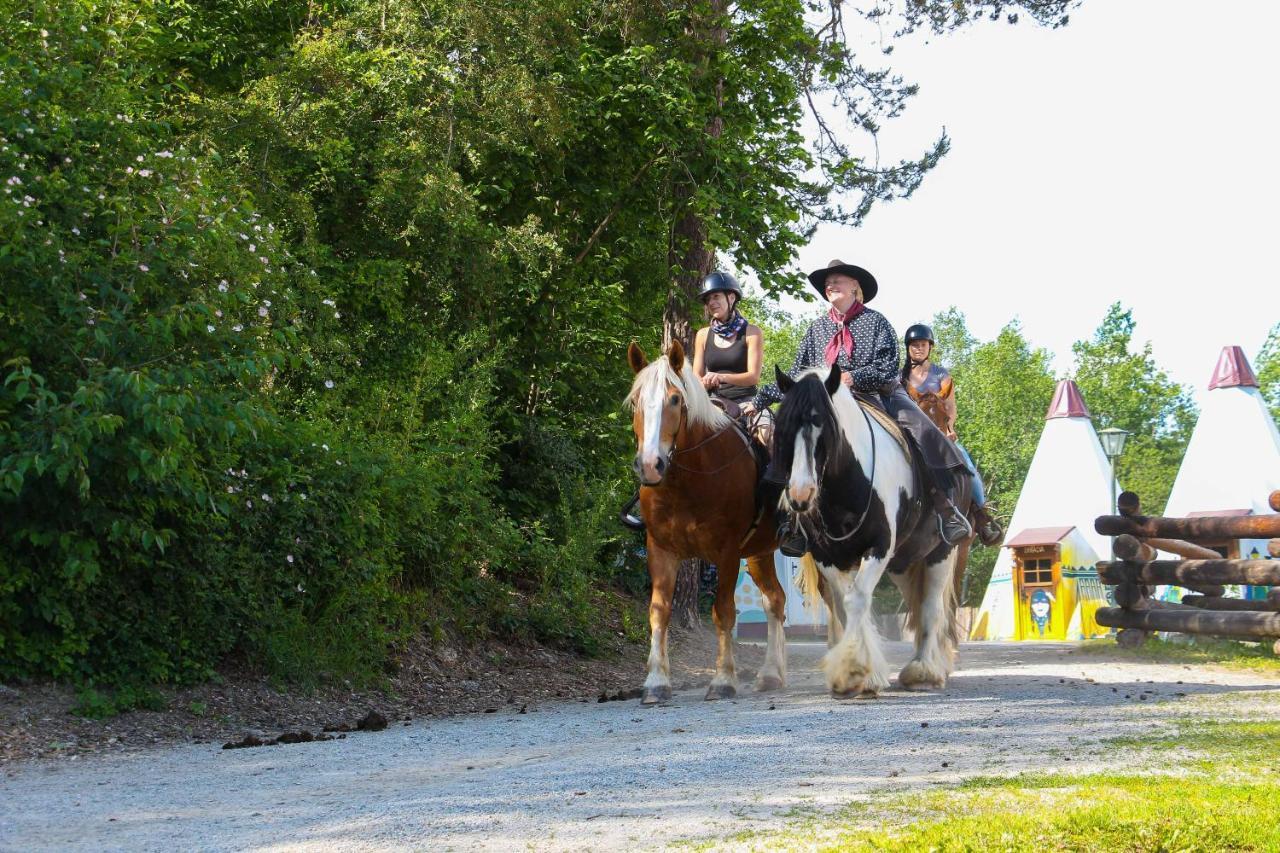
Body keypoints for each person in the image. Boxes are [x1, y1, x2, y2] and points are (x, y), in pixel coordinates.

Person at [743, 259, 974, 554]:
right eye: (827, 283)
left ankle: (945, 507)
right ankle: (793, 522)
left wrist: (854, 377)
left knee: (922, 431)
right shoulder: (816, 330)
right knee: (793, 434)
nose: (830, 286)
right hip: (827, 401)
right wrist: (759, 400)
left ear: (855, 286)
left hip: (875, 395)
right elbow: (798, 374)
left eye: (837, 280)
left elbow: (888, 365)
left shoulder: (876, 322)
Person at [901, 323, 1002, 546]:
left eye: (922, 344)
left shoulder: (941, 375)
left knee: (968, 466)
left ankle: (981, 516)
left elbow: (950, 407)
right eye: (914, 345)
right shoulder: (901, 377)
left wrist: (949, 430)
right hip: (911, 435)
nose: (918, 348)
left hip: (940, 432)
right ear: (908, 348)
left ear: (930, 347)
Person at [691, 271, 772, 446]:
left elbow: (753, 377)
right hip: (711, 402)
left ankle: (771, 473)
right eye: (708, 300)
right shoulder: (702, 335)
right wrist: (703, 382)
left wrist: (720, 377)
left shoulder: (752, 333)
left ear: (731, 297)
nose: (711, 303)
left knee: (766, 436)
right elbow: (696, 375)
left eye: (716, 296)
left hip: (747, 403)